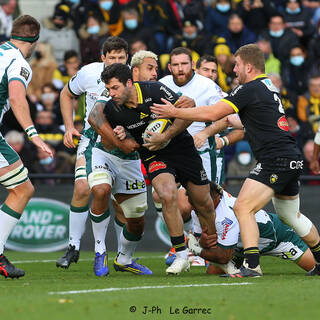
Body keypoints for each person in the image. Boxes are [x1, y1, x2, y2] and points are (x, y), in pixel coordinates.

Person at [151, 43, 320, 277]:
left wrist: (174, 112)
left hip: (275, 159)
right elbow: (249, 121)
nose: (234, 71)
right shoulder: (267, 85)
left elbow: (211, 113)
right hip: (291, 158)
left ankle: (251, 265)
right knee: (291, 216)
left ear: (249, 67)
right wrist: (228, 123)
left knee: (242, 207)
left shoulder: (249, 88)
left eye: (237, 65)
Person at [88, 63, 217, 275]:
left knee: (203, 202)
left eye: (114, 88)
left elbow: (187, 111)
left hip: (182, 147)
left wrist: (165, 136)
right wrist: (121, 139)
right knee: (166, 195)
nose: (111, 94)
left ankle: (213, 249)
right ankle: (182, 255)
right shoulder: (113, 110)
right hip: (153, 154)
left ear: (129, 83)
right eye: (108, 89)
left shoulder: (154, 90)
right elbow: (108, 141)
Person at [55, 36, 130, 271]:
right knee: (82, 188)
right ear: (103, 57)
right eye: (112, 58)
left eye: (121, 57)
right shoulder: (89, 73)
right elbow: (66, 94)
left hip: (123, 141)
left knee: (121, 202)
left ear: (127, 58)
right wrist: (69, 126)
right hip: (91, 139)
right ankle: (73, 247)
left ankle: (122, 254)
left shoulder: (133, 76)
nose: (116, 61)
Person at [0, 15, 52, 279]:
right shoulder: (19, 62)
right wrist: (34, 135)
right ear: (34, 41)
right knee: (23, 188)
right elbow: (16, 97)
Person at [187, 182, 316, 276]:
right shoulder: (198, 209)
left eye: (196, 201)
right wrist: (203, 242)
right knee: (212, 273)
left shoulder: (228, 213)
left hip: (279, 239)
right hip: (240, 248)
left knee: (315, 267)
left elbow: (223, 257)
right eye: (192, 201)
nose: (193, 205)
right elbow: (203, 240)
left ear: (212, 198)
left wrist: (196, 249)